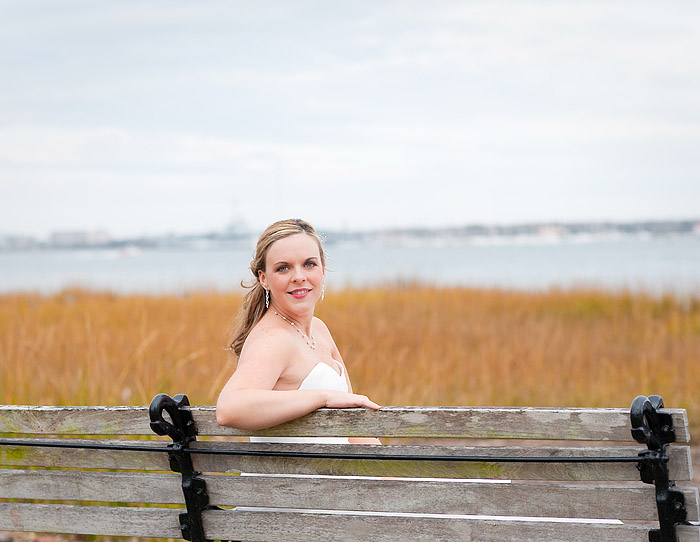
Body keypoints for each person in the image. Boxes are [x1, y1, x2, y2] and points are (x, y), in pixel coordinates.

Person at [216, 219, 381, 439]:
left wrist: (387, 473)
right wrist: (322, 398)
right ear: (264, 278)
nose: (299, 277)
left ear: (322, 270)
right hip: (294, 473)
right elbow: (229, 409)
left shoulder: (319, 329)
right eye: (283, 268)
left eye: (309, 264)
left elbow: (355, 432)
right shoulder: (273, 339)